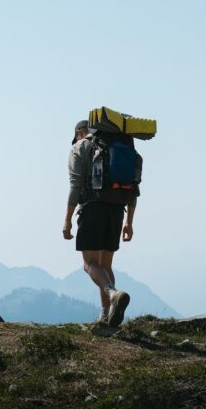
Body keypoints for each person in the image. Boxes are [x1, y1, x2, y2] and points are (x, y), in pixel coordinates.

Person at [63, 120, 136, 327]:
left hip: (92, 208)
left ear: (79, 132)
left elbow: (75, 185)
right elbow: (132, 187)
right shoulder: (116, 147)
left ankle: (113, 294)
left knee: (89, 265)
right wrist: (129, 222)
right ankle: (106, 316)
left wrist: (67, 220)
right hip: (116, 209)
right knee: (105, 265)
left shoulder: (79, 147)